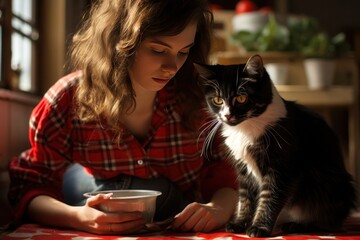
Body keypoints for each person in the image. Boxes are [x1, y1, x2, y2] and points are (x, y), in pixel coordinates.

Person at [8, 0, 239, 235]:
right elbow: (30, 186)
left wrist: (218, 208)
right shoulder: (68, 98)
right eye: (158, 50)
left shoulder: (202, 100)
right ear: (119, 41)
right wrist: (77, 217)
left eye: (183, 52)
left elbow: (229, 175)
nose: (171, 67)